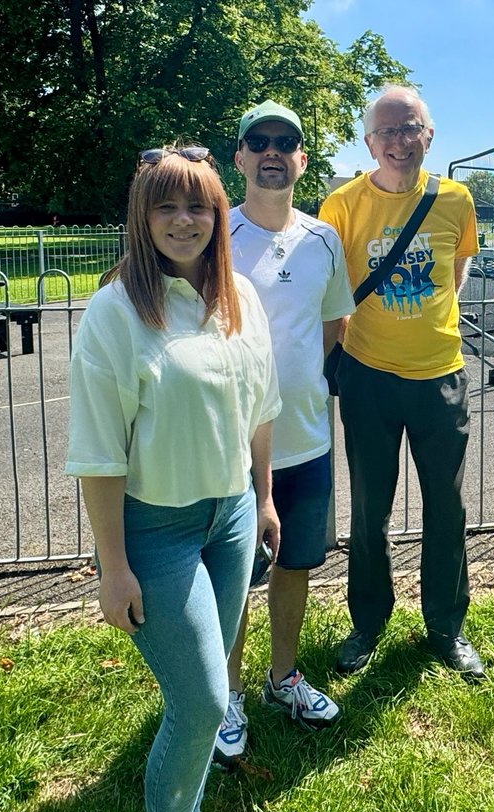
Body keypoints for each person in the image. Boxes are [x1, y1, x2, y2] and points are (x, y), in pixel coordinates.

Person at [65, 145, 281, 812]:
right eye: (166, 206)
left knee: (203, 692)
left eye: (198, 206)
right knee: (201, 701)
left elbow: (261, 410)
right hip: (153, 532)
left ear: (220, 215)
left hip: (229, 518)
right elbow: (97, 453)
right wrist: (112, 567)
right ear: (142, 217)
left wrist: (265, 497)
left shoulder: (240, 299)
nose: (184, 221)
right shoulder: (114, 312)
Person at [318, 84, 486, 682]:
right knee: (369, 509)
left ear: (429, 135)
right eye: (386, 131)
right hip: (368, 377)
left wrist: (428, 325)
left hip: (441, 375)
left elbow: (455, 273)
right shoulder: (340, 207)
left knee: (448, 506)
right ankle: (368, 621)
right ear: (368, 142)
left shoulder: (455, 200)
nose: (398, 141)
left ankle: (446, 624)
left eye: (409, 127)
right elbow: (331, 291)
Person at [213, 100, 353, 768]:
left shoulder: (324, 239)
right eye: (258, 141)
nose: (272, 152)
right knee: (236, 576)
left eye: (286, 142)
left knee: (296, 564)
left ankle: (283, 679)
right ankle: (229, 694)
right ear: (238, 157)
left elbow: (332, 329)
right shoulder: (214, 235)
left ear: (302, 159)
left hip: (307, 440)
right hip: (231, 448)